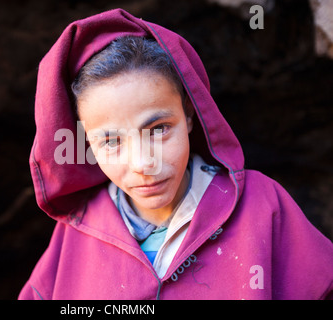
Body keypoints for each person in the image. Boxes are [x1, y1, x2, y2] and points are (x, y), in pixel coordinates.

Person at [18, 8, 333, 300]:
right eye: (111, 141)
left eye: (158, 129)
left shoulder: (261, 206)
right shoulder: (75, 232)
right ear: (87, 144)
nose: (143, 164)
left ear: (189, 115)